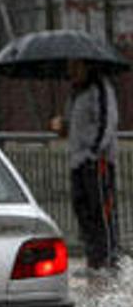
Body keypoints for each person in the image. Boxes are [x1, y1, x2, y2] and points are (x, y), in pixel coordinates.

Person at [50, 59, 120, 278]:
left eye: (76, 67)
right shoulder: (75, 94)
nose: (71, 72)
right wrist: (61, 126)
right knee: (83, 210)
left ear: (87, 67)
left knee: (101, 209)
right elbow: (70, 126)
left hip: (96, 160)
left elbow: (107, 122)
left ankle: (109, 259)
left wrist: (95, 151)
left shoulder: (100, 89)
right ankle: (94, 260)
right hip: (77, 161)